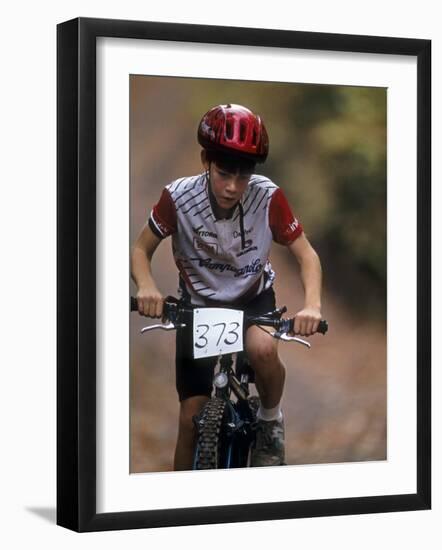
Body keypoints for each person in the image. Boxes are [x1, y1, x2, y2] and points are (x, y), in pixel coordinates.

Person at [131, 104, 322, 470]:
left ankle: (269, 421)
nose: (232, 187)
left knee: (263, 348)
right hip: (199, 303)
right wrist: (147, 287)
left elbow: (307, 255)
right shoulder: (178, 198)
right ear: (206, 160)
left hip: (252, 297)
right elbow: (141, 250)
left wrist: (312, 305)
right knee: (190, 419)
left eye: (242, 176)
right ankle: (180, 508)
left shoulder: (268, 198)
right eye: (222, 173)